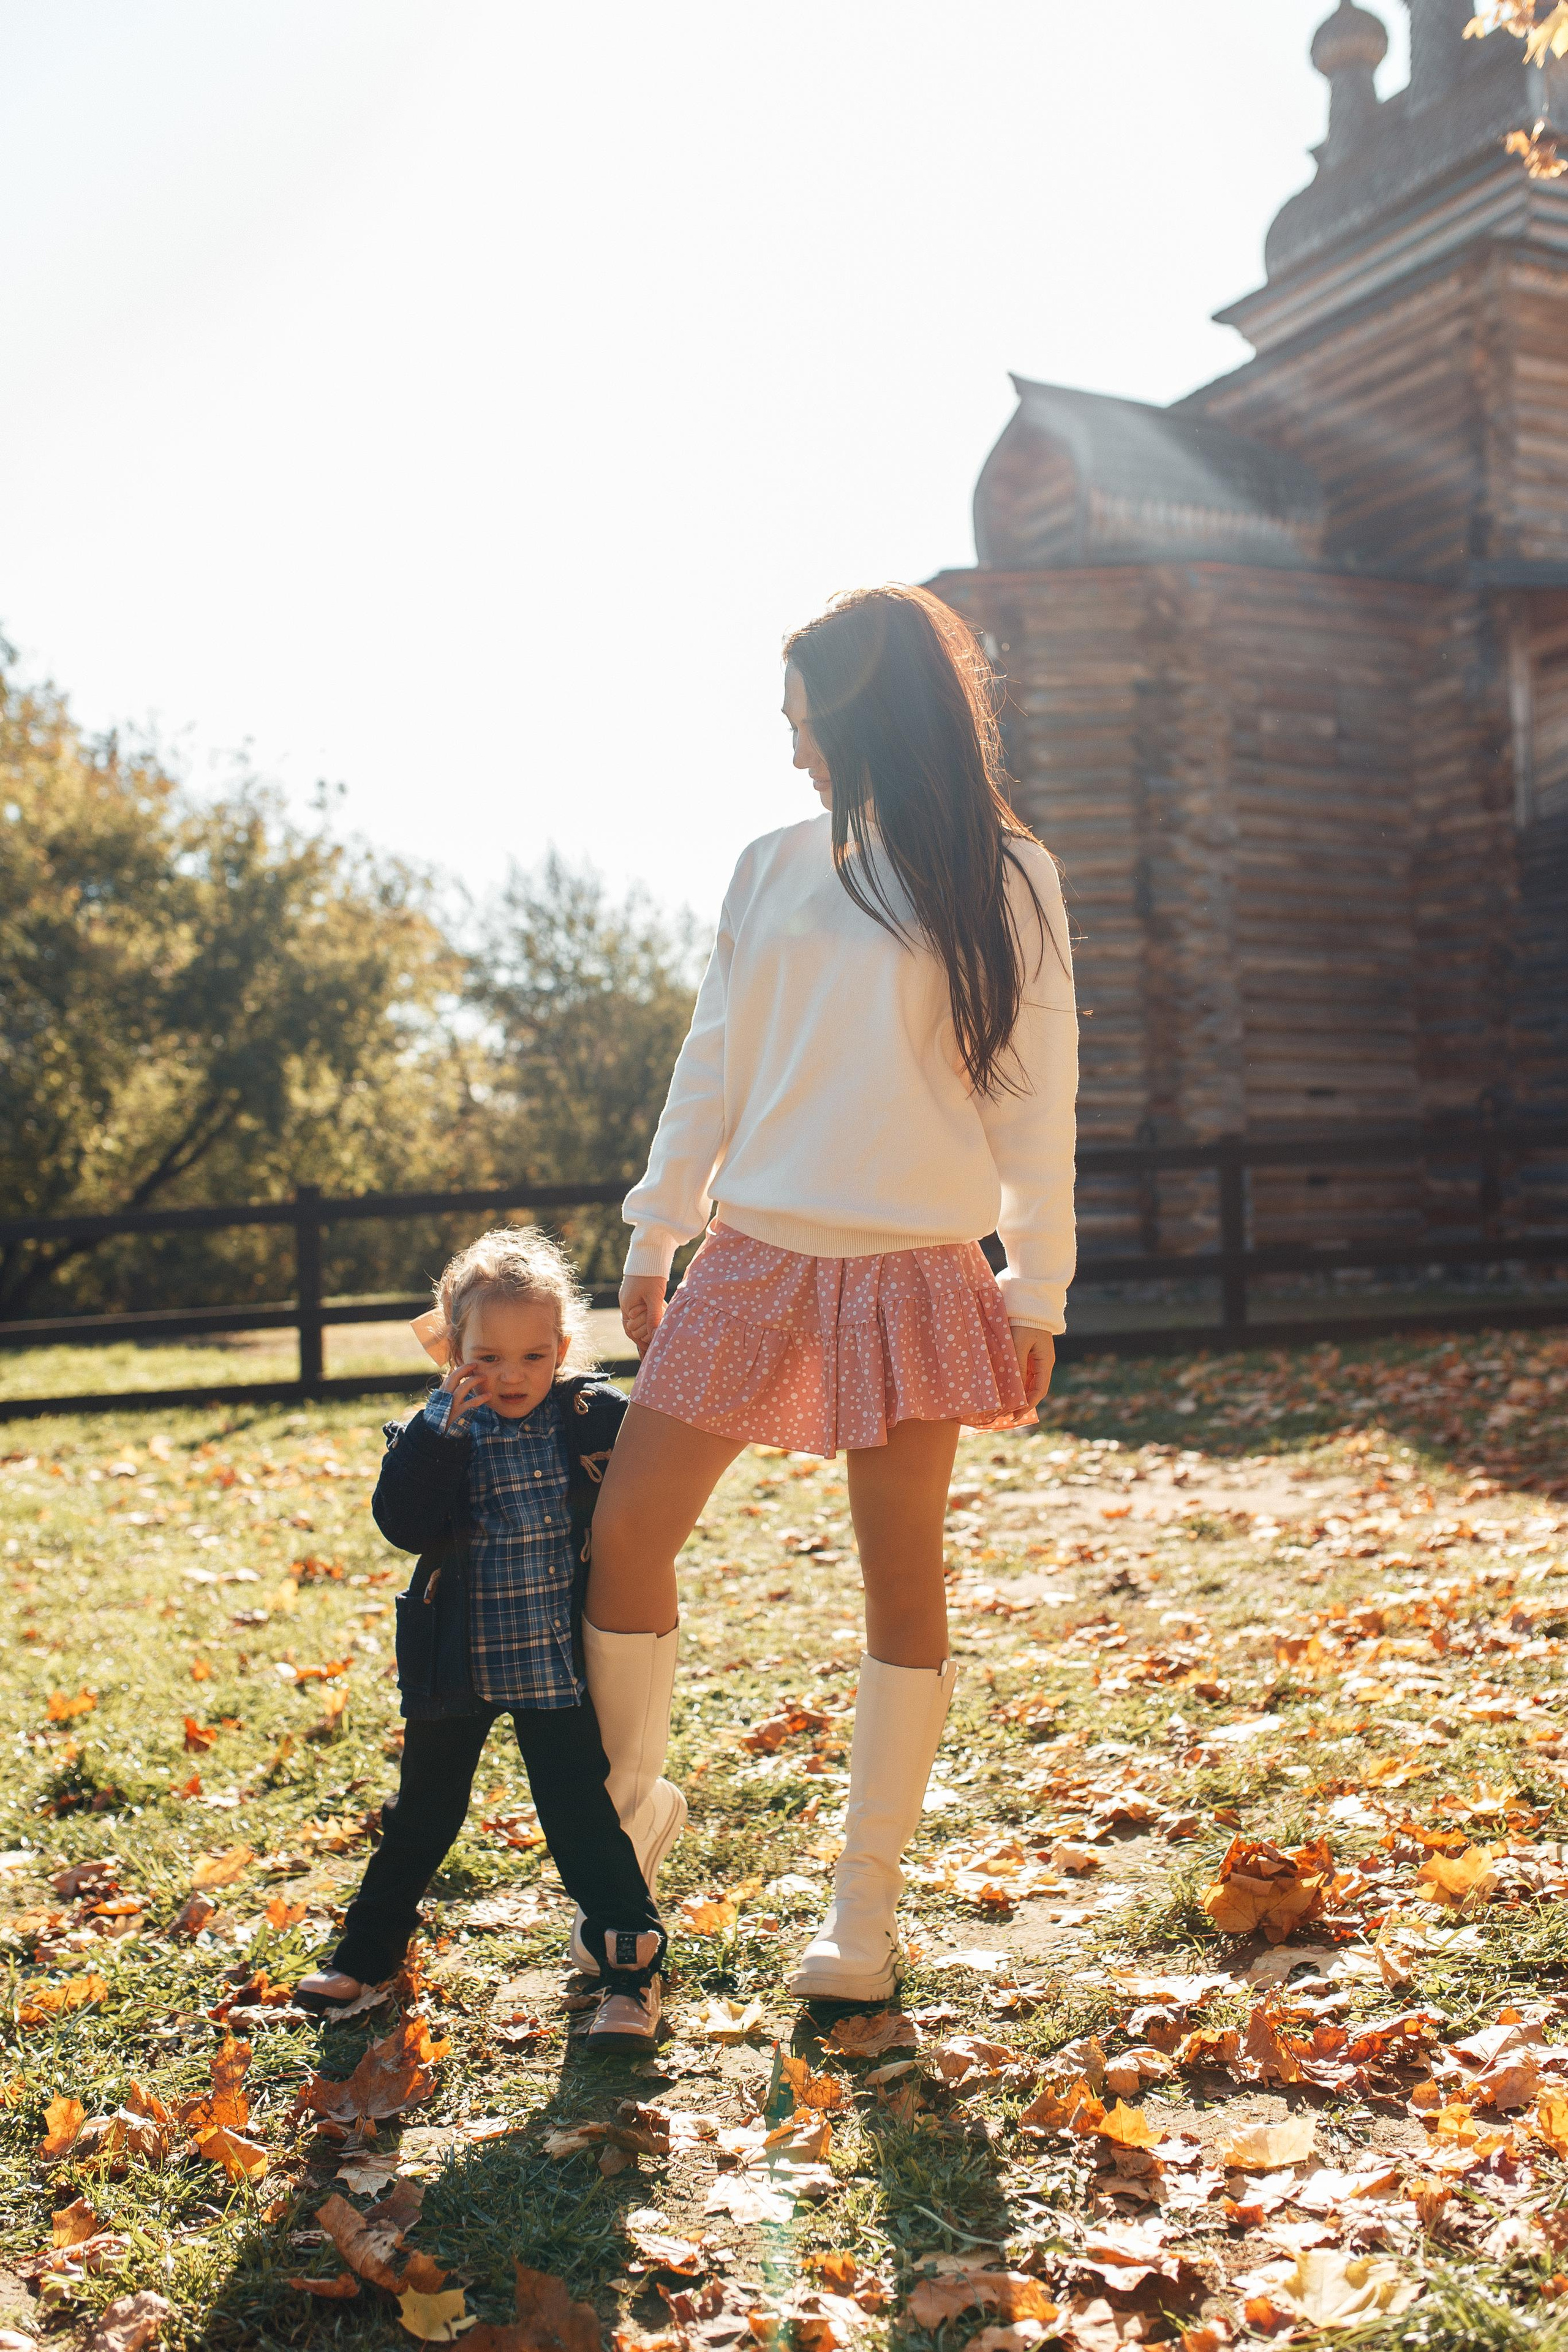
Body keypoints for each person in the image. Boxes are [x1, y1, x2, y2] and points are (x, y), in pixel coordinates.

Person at [584, 584, 1079, 2008]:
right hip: (754, 1253)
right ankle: (625, 1835)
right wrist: (656, 1223)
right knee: (626, 1529)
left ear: (857, 712)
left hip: (920, 1266)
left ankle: (860, 1910)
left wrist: (1034, 1286)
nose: (789, 739)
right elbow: (713, 1053)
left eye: (800, 712)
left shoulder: (1006, 876)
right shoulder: (768, 865)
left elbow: (1036, 1098)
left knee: (897, 1573)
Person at [296, 1227, 667, 2054]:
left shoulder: (585, 1417)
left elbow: (652, 1467)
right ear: (454, 1349)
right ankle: (368, 1957)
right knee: (422, 1814)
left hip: (550, 1663)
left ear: (562, 1349)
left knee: (580, 1817)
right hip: (453, 1663)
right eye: (488, 1358)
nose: (510, 1377)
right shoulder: (435, 1427)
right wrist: (438, 1435)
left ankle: (630, 1971)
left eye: (533, 1358)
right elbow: (402, 1525)